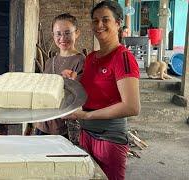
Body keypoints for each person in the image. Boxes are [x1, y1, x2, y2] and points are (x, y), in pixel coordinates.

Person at [62, 1, 140, 180]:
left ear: (118, 23)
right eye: (95, 21)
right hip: (86, 134)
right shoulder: (91, 58)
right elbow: (93, 90)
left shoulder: (122, 57)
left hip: (109, 139)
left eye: (106, 20)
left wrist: (87, 115)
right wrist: (75, 80)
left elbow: (132, 107)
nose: (99, 25)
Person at [34, 13, 85, 139]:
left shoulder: (80, 61)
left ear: (77, 33)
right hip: (42, 123)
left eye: (67, 33)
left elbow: (81, 97)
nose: (63, 38)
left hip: (64, 127)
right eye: (58, 33)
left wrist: (70, 82)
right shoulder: (50, 61)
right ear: (53, 35)